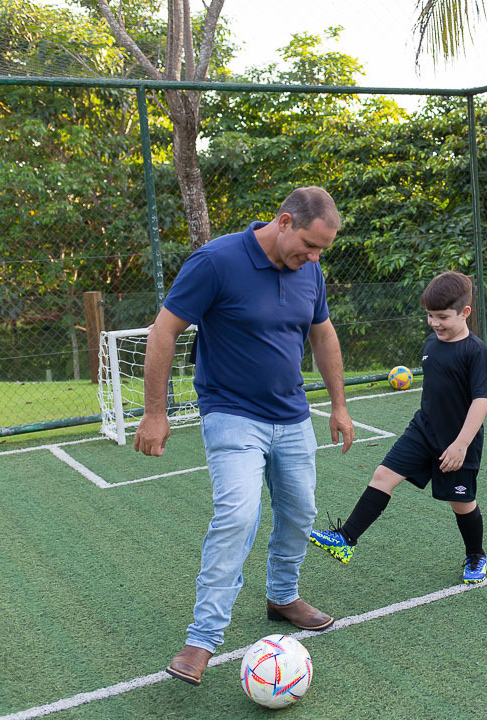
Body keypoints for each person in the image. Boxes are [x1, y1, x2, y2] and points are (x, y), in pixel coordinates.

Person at [133, 186, 355, 686]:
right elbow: (164, 331)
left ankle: (283, 596)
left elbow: (323, 334)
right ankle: (203, 638)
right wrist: (154, 413)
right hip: (232, 413)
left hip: (292, 415)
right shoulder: (215, 262)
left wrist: (338, 405)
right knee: (238, 514)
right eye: (308, 245)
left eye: (321, 250)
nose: (314, 258)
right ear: (282, 221)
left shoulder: (310, 272)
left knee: (300, 511)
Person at [308, 271, 487, 583]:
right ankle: (346, 539)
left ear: (465, 313)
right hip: (422, 431)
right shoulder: (431, 343)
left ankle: (476, 555)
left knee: (461, 503)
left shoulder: (475, 351)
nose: (435, 323)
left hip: (458, 441)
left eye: (443, 317)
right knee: (382, 476)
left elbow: (481, 400)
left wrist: (461, 444)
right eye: (429, 316)